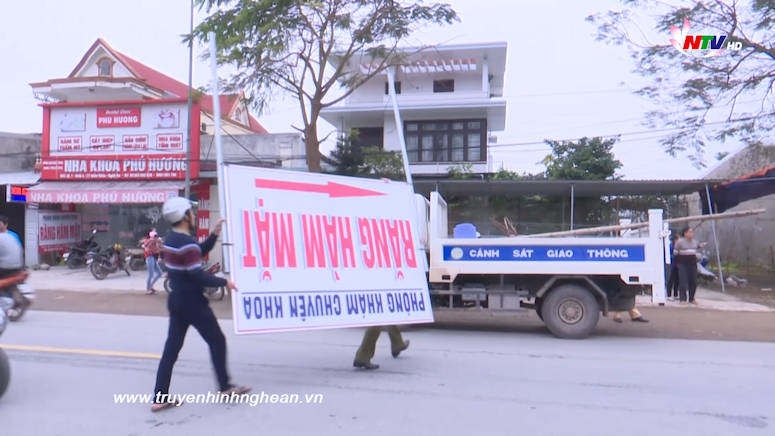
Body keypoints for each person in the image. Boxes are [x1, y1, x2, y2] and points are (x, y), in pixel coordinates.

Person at [152, 197, 248, 412]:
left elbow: (198, 249)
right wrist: (225, 282)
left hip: (176, 301)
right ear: (184, 216)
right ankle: (225, 387)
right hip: (193, 302)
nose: (193, 215)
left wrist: (214, 234)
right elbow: (198, 275)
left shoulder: (173, 239)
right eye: (191, 212)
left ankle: (159, 397)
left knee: (171, 349)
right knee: (217, 341)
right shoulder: (186, 243)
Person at [0, 216, 27, 308]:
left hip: (8, 265)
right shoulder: (11, 235)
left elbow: (19, 250)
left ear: (5, 224)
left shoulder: (13, 235)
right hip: (16, 265)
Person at [674, 227, 703, 305]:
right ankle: (682, 299)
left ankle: (691, 298)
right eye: (689, 232)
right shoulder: (680, 242)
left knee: (693, 281)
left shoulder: (695, 242)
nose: (691, 234)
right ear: (685, 233)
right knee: (683, 282)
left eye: (692, 232)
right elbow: (675, 253)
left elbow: (696, 249)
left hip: (693, 264)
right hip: (683, 264)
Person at [142, 229, 164, 294]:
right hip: (149, 258)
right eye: (154, 235)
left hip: (153, 258)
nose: (156, 236)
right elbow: (146, 247)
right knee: (151, 274)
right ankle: (148, 289)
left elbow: (159, 248)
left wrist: (159, 242)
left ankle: (150, 286)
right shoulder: (148, 241)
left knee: (160, 273)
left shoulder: (155, 241)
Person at [666, 233, 680, 300]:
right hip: (672, 264)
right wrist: (674, 255)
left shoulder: (679, 246)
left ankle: (675, 294)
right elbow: (669, 255)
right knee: (671, 280)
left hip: (678, 265)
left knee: (677, 280)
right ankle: (668, 294)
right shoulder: (671, 245)